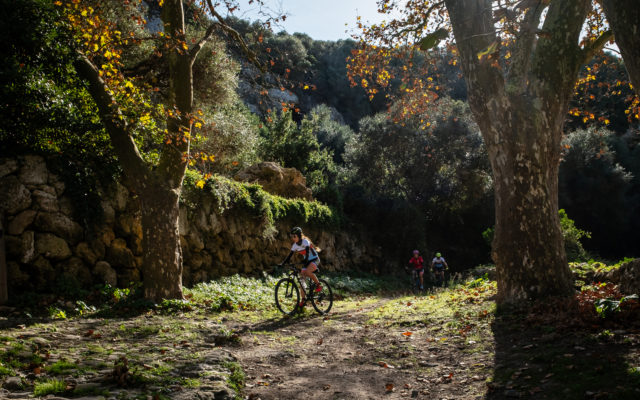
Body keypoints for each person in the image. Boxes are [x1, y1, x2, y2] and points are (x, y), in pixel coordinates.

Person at [280, 227, 321, 306]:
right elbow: (289, 256)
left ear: (298, 235)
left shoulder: (305, 242)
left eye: (294, 236)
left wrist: (304, 262)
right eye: (291, 236)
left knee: (308, 271)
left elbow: (308, 253)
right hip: (307, 261)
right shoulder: (295, 245)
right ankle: (303, 299)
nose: (293, 238)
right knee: (302, 281)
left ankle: (318, 285)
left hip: (314, 259)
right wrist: (283, 263)